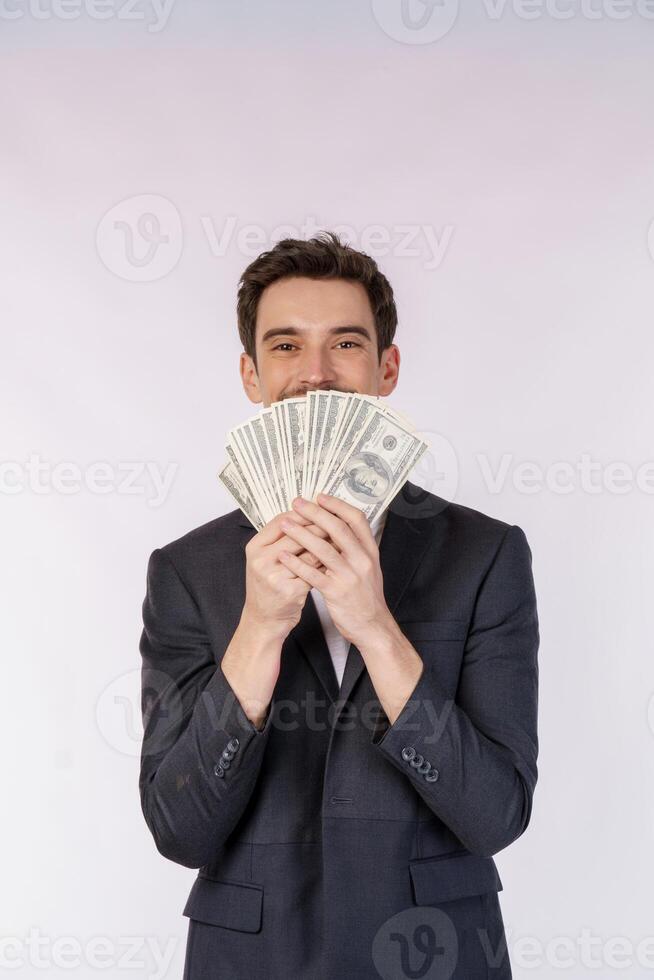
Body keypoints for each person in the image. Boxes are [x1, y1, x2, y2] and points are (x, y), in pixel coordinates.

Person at [138, 231, 539, 980]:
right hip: (251, 958)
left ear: (386, 369)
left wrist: (379, 632)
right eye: (285, 347)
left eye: (345, 344)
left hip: (436, 954)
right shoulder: (186, 572)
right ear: (251, 376)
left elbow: (496, 814)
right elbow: (179, 828)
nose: (315, 374)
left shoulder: (485, 555)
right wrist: (258, 630)